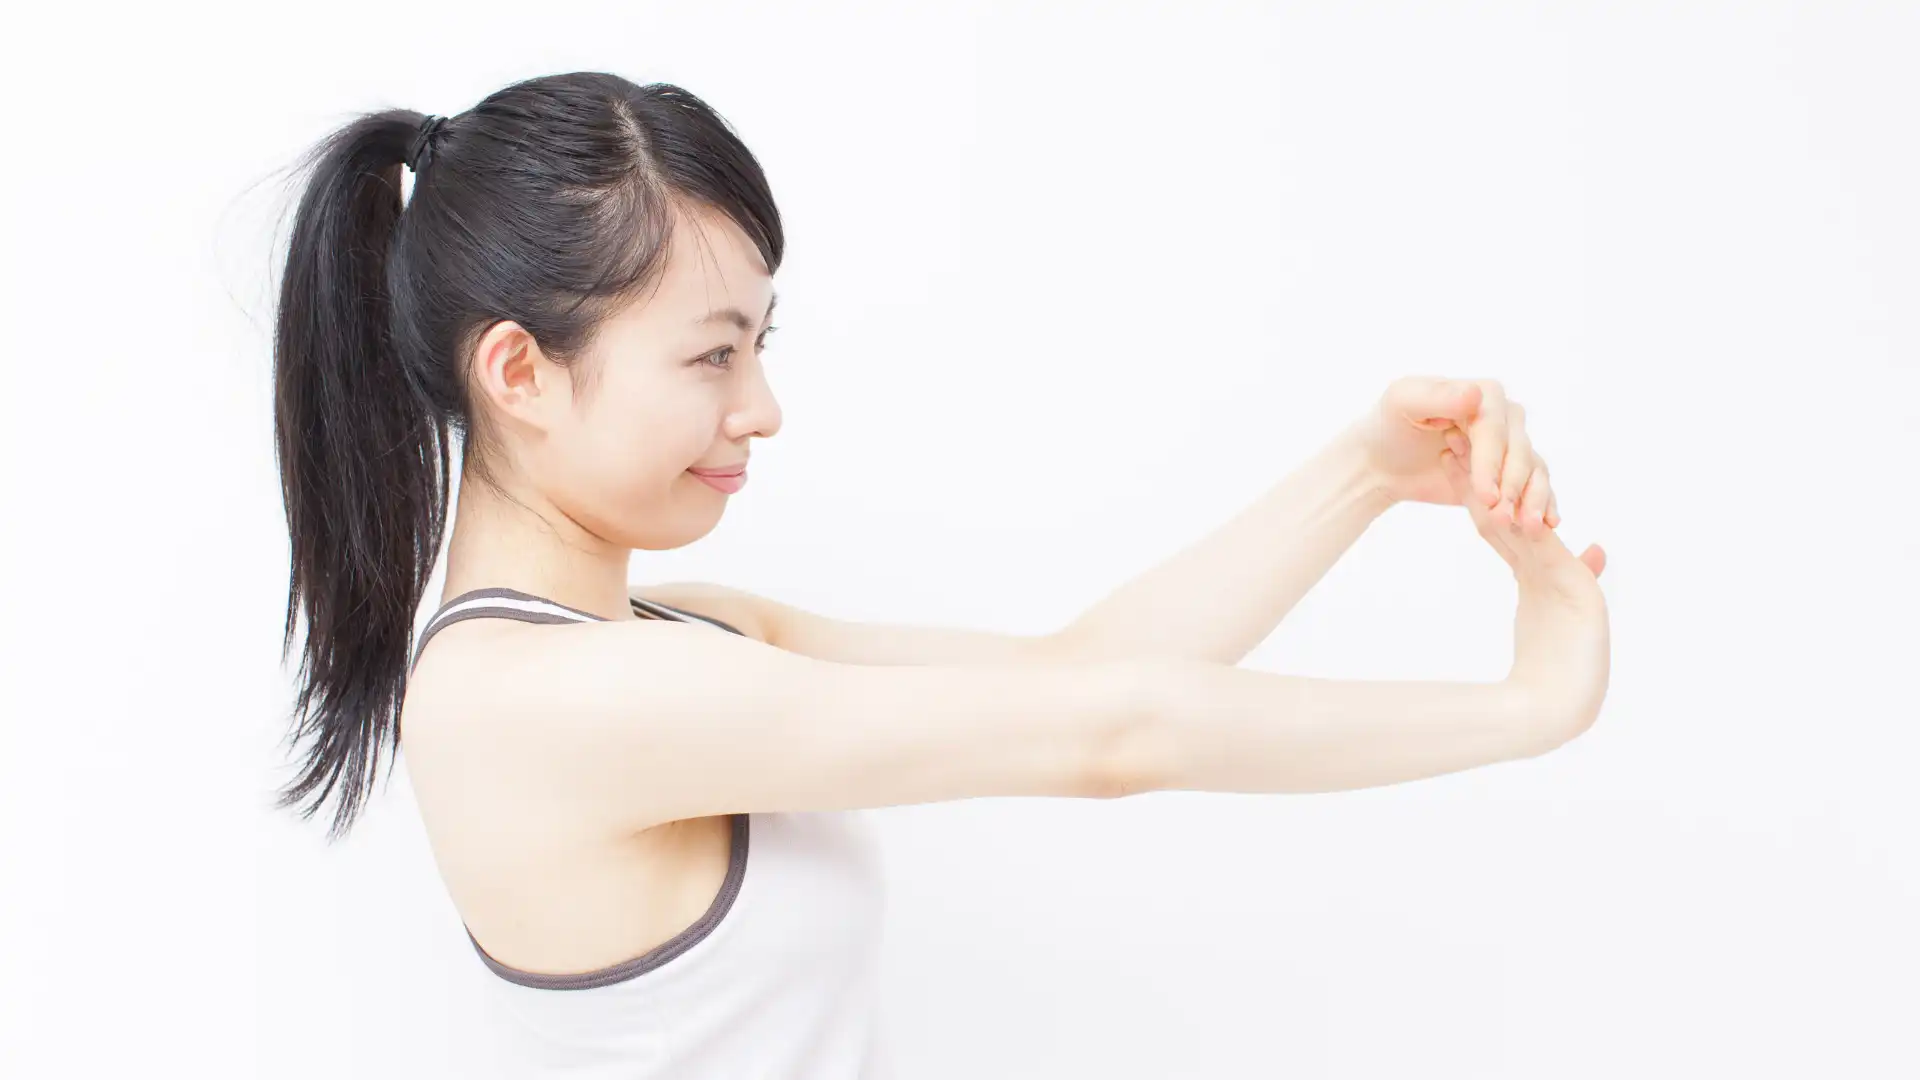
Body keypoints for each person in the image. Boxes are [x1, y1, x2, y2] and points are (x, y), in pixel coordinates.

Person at [269, 71, 1609, 1079]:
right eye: (712, 355)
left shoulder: (668, 638)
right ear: (519, 372)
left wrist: (1367, 474)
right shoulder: (538, 702)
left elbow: (1077, 673)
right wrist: (1521, 708)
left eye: (759, 345)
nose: (763, 407)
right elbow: (1110, 735)